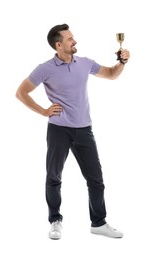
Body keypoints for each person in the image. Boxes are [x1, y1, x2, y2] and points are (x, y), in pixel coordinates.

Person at [16, 24, 130, 240]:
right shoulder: (45, 68)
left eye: (73, 37)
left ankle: (98, 223)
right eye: (70, 39)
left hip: (84, 130)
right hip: (59, 129)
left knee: (96, 179)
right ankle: (55, 221)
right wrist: (43, 111)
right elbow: (21, 92)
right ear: (59, 45)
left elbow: (112, 74)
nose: (74, 41)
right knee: (54, 177)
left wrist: (122, 62)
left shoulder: (84, 63)